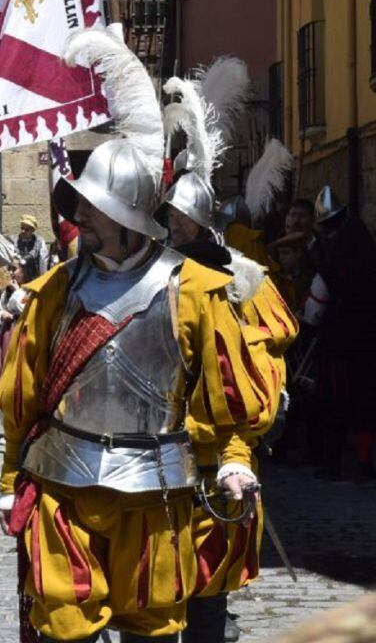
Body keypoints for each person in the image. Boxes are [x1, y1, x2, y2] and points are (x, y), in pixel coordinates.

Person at [0, 30, 279, 643]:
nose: (79, 218)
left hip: (157, 491)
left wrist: (234, 460)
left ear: (128, 217)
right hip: (63, 485)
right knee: (62, 621)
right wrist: (9, 480)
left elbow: (228, 398)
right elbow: (22, 398)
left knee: (152, 626)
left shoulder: (197, 290)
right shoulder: (54, 291)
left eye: (92, 208)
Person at [154, 75, 297, 643]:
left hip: (222, 424)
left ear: (202, 217)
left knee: (216, 543)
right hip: (161, 427)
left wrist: (235, 345)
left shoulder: (240, 271)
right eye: (168, 217)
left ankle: (214, 614)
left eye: (181, 217)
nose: (173, 225)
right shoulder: (155, 270)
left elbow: (279, 331)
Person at [303, 185, 376, 480]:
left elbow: (313, 313)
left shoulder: (329, 269)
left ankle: (332, 465)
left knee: (334, 404)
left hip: (336, 350)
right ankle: (364, 464)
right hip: (369, 346)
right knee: (366, 405)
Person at [11, 214, 50, 281]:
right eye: (22, 228)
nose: (23, 231)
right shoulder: (13, 240)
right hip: (16, 280)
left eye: (27, 229)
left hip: (33, 279)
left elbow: (43, 263)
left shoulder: (39, 242)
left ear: (32, 230)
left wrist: (43, 280)